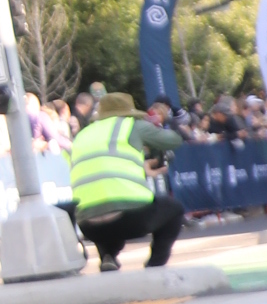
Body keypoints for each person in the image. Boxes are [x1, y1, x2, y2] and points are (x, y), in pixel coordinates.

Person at [69, 92, 185, 271]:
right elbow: (174, 141)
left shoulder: (83, 134)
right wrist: (167, 125)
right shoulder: (132, 125)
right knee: (174, 209)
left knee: (104, 205)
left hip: (88, 225)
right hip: (131, 219)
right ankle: (155, 265)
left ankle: (107, 255)